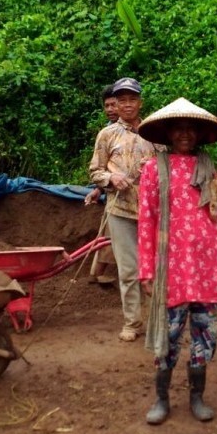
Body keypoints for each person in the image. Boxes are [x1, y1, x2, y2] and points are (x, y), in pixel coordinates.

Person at [137, 98, 217, 424]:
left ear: (200, 134)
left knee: (205, 335)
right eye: (179, 128)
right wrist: (146, 269)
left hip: (206, 267)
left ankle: (197, 397)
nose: (185, 134)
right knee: (169, 334)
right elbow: (146, 221)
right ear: (168, 133)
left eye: (191, 129)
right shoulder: (153, 170)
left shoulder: (208, 169)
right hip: (171, 268)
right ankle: (161, 399)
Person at [88, 77, 157, 341]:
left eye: (132, 99)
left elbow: (167, 167)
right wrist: (110, 179)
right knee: (128, 269)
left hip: (153, 211)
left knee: (152, 267)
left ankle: (154, 321)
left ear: (140, 102)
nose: (127, 105)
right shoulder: (107, 135)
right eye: (122, 100)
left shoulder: (154, 131)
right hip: (121, 210)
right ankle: (132, 322)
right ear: (115, 104)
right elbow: (95, 170)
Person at [85, 84, 121, 285]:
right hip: (115, 193)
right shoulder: (107, 133)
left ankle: (96, 273)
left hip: (137, 194)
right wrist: (98, 188)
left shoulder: (138, 131)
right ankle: (95, 274)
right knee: (108, 234)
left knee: (109, 235)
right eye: (106, 105)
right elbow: (100, 167)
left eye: (113, 104)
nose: (109, 109)